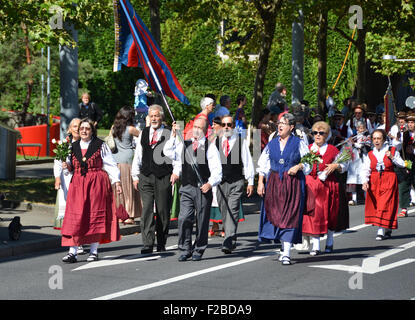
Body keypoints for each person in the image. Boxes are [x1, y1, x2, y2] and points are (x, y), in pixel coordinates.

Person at [61, 118, 122, 263]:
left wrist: (117, 181)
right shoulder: (72, 146)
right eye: (81, 128)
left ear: (92, 130)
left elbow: (110, 164)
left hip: (96, 184)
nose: (83, 131)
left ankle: (93, 251)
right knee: (75, 217)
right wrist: (67, 167)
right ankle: (72, 251)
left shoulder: (100, 145)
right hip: (78, 185)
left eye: (87, 128)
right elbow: (71, 167)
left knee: (94, 217)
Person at [163, 117, 222, 262]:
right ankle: (185, 248)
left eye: (200, 128)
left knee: (202, 221)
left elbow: (217, 171)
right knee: (184, 218)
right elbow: (167, 151)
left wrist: (210, 183)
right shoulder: (184, 144)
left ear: (205, 130)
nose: (196, 130)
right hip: (187, 186)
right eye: (194, 126)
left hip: (202, 189)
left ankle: (199, 248)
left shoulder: (210, 147)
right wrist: (173, 134)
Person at [257, 113, 311, 265]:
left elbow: (308, 162)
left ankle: (286, 252)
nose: (279, 126)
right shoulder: (272, 143)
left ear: (291, 127)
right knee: (276, 214)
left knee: (290, 215)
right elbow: (263, 164)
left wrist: (298, 166)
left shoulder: (298, 143)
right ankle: (283, 247)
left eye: (284, 123)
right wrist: (260, 183)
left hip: (292, 183)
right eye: (279, 123)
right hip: (274, 182)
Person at [131, 104, 179, 254]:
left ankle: (162, 241)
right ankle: (147, 242)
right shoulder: (144, 133)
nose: (154, 119)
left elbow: (177, 155)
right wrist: (135, 175)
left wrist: (176, 172)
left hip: (163, 176)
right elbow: (138, 154)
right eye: (151, 116)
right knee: (146, 210)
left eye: (156, 116)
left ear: (161, 117)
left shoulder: (170, 133)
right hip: (145, 175)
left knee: (163, 210)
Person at [302, 121, 349, 255]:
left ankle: (329, 241)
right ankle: (316, 245)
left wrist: (336, 166)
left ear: (327, 135)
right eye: (315, 133)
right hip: (311, 185)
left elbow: (344, 165)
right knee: (314, 214)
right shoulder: (308, 148)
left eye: (321, 133)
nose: (317, 135)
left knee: (330, 214)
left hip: (328, 185)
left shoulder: (333, 150)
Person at [215, 115, 255, 254]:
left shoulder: (240, 141)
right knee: (224, 211)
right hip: (220, 183)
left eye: (229, 125)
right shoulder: (215, 142)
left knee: (233, 209)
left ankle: (228, 240)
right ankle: (230, 235)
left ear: (233, 126)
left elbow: (247, 161)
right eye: (224, 124)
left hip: (236, 181)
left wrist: (250, 181)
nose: (226, 127)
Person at [361, 129, 406, 240]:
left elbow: (402, 164)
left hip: (388, 179)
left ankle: (380, 230)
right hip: (375, 181)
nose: (376, 141)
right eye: (374, 138)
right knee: (377, 205)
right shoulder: (370, 154)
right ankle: (387, 227)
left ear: (384, 140)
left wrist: (392, 157)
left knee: (384, 204)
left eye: (379, 138)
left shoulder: (392, 150)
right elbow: (366, 169)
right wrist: (365, 181)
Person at [111, 106, 142, 225]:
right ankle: (129, 215)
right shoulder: (131, 129)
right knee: (129, 189)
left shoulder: (114, 128)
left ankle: (120, 214)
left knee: (118, 190)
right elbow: (144, 136)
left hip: (115, 161)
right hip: (128, 161)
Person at [346, 120, 371, 205]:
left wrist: (355, 144)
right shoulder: (354, 136)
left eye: (362, 128)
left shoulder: (367, 136)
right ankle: (354, 199)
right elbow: (349, 146)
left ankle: (366, 197)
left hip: (363, 159)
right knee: (353, 178)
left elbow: (366, 146)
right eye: (359, 128)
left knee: (364, 177)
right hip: (354, 160)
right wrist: (349, 143)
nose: (361, 129)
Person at [395, 112, 415, 218]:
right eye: (409, 122)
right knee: (404, 185)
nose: (410, 124)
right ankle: (404, 208)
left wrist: (414, 151)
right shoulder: (405, 134)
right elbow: (400, 148)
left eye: (412, 122)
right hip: (408, 162)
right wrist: (398, 139)